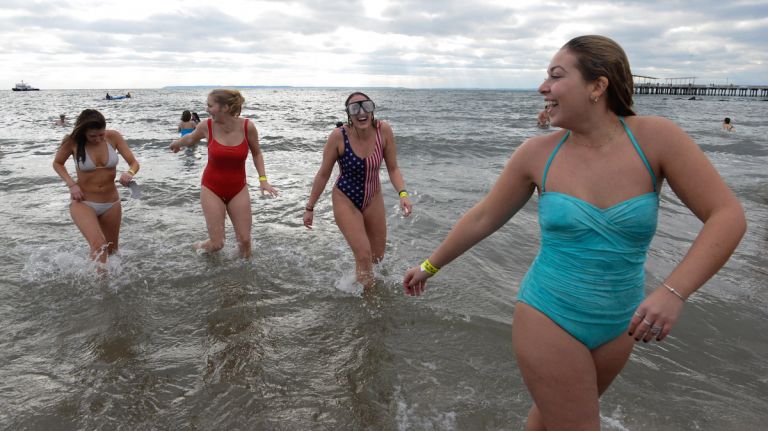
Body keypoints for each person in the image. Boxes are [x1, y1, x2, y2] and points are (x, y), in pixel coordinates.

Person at [403, 35, 745, 430]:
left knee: (550, 421)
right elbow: (484, 217)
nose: (542, 87)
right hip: (548, 314)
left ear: (597, 86)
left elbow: (727, 215)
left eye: (555, 76)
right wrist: (430, 265)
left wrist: (674, 292)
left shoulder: (655, 139)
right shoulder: (537, 154)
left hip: (620, 325)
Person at [303, 92, 412, 289]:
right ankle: (368, 304)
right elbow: (323, 174)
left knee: (377, 258)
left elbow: (393, 168)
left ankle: (359, 283)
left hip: (373, 198)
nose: (361, 112)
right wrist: (310, 207)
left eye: (366, 106)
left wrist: (402, 194)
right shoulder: (338, 137)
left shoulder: (383, 131)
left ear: (372, 111)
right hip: (346, 198)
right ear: (348, 115)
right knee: (363, 256)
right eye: (354, 108)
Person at [170, 89, 278, 258]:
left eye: (210, 105)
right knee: (217, 244)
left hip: (238, 189)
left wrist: (263, 180)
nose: (206, 109)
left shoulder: (247, 126)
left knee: (245, 242)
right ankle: (198, 247)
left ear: (225, 107)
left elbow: (257, 153)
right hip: (212, 188)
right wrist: (177, 143)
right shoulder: (207, 126)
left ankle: (244, 281)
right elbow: (190, 138)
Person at [52, 109, 140, 264]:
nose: (99, 139)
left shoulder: (114, 137)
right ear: (83, 132)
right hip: (84, 202)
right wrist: (71, 185)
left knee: (112, 252)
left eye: (101, 134)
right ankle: (99, 286)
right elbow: (57, 163)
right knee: (99, 246)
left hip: (111, 203)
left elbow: (134, 163)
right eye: (93, 136)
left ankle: (107, 284)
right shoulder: (72, 142)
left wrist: (130, 173)